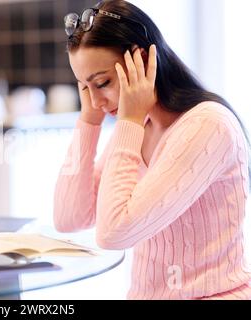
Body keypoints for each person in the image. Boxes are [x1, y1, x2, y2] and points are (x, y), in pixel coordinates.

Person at [54, 0, 251, 300]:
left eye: (102, 83)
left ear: (143, 61)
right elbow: (69, 217)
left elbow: (113, 233)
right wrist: (88, 122)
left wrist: (128, 121)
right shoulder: (139, 125)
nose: (95, 101)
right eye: (84, 87)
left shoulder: (208, 125)